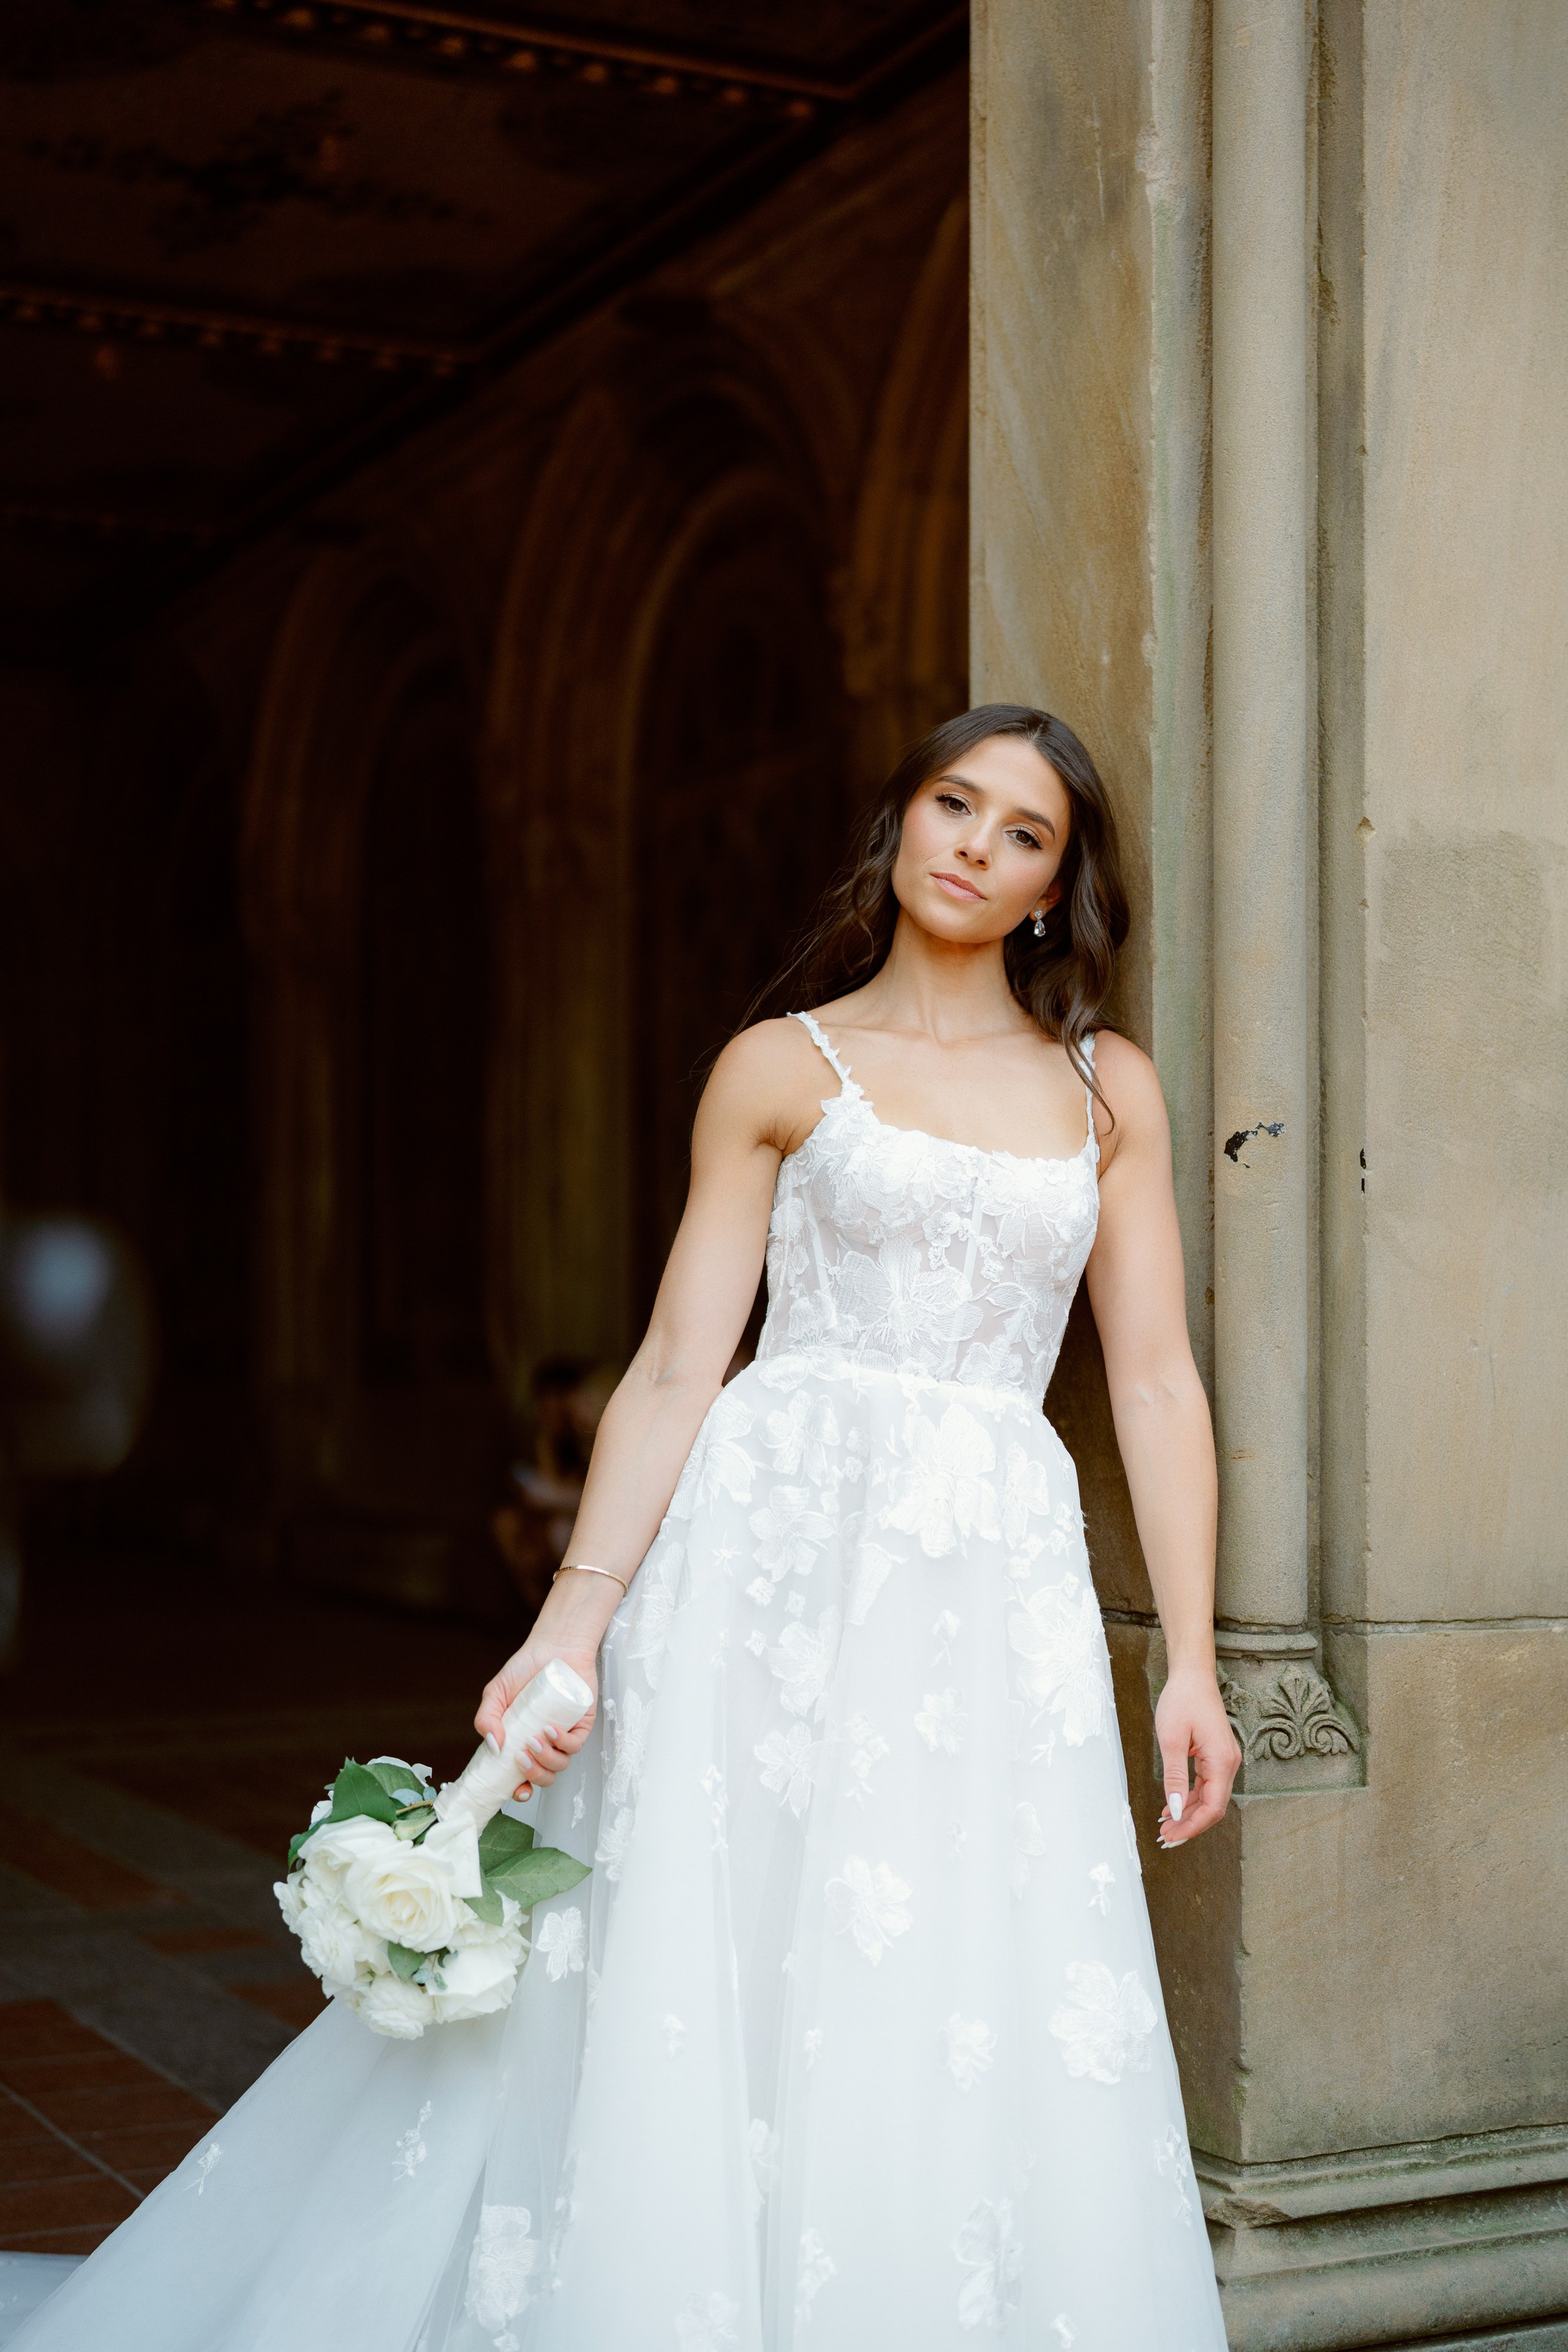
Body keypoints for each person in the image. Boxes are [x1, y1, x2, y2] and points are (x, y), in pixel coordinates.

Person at [2, 705, 1236, 2350]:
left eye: (1026, 834)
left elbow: (1152, 1381)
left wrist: (1195, 1663)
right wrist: (568, 1623)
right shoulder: (786, 1063)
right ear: (901, 822)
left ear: (1050, 892)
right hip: (769, 1549)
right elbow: (673, 1364)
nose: (977, 845)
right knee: (724, 1928)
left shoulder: (1107, 1090)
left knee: (959, 1945)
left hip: (991, 1572)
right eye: (955, 803)